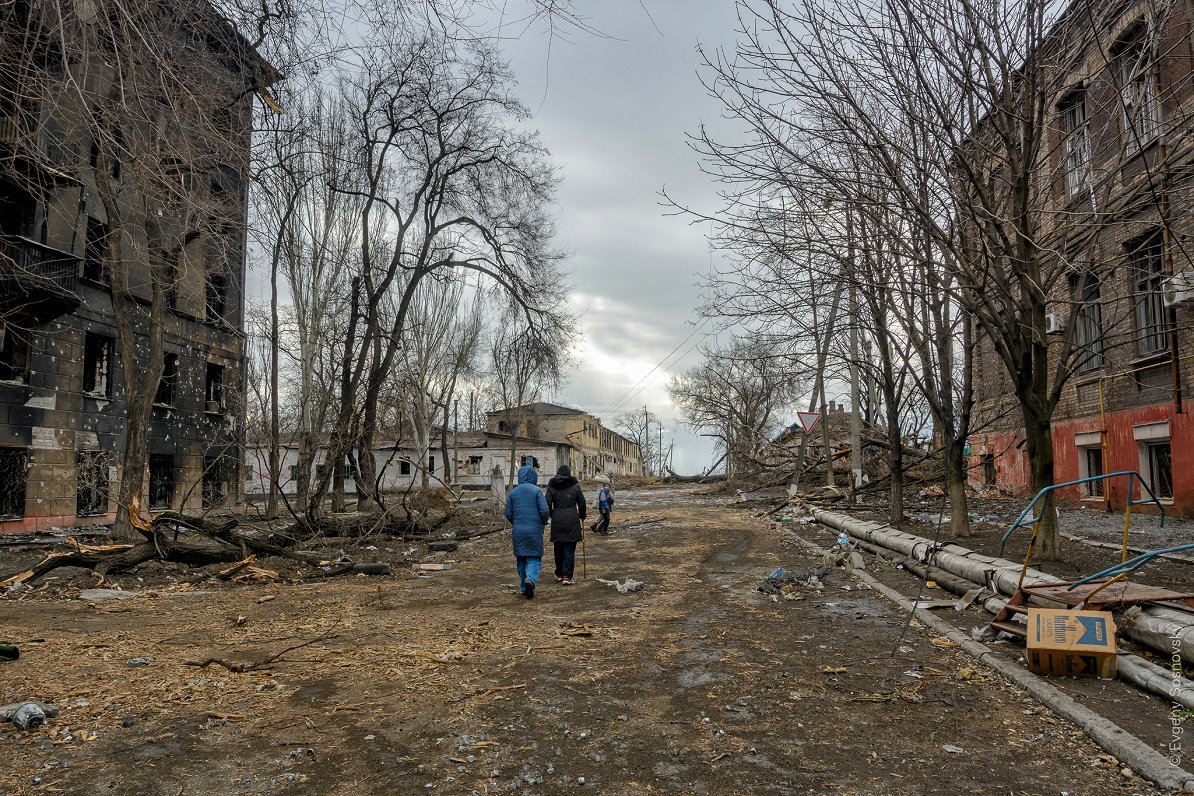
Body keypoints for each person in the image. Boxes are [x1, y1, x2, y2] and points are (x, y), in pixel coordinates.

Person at [504, 464, 549, 599]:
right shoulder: (536, 491)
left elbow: (508, 513)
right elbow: (544, 510)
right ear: (534, 477)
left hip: (519, 530)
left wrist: (516, 523)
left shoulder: (513, 492)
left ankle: (523, 587)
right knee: (534, 557)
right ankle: (531, 579)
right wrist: (543, 522)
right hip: (534, 529)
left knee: (521, 558)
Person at [546, 464, 586, 584]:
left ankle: (559, 573)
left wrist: (552, 514)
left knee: (558, 548)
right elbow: (582, 503)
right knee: (569, 548)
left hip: (557, 519)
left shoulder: (552, 486)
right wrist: (582, 516)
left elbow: (546, 503)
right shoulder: (575, 486)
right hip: (572, 519)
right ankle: (567, 576)